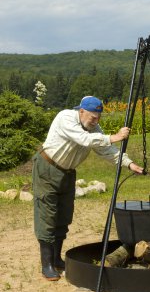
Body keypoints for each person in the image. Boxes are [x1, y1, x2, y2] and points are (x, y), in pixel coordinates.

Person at [32, 96, 143, 281]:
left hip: (67, 173)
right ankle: (47, 265)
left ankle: (57, 259)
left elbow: (107, 151)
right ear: (81, 111)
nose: (96, 121)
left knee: (64, 216)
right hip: (47, 169)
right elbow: (85, 140)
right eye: (93, 117)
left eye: (99, 117)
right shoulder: (65, 117)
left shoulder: (94, 129)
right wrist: (114, 137)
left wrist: (129, 164)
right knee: (47, 216)